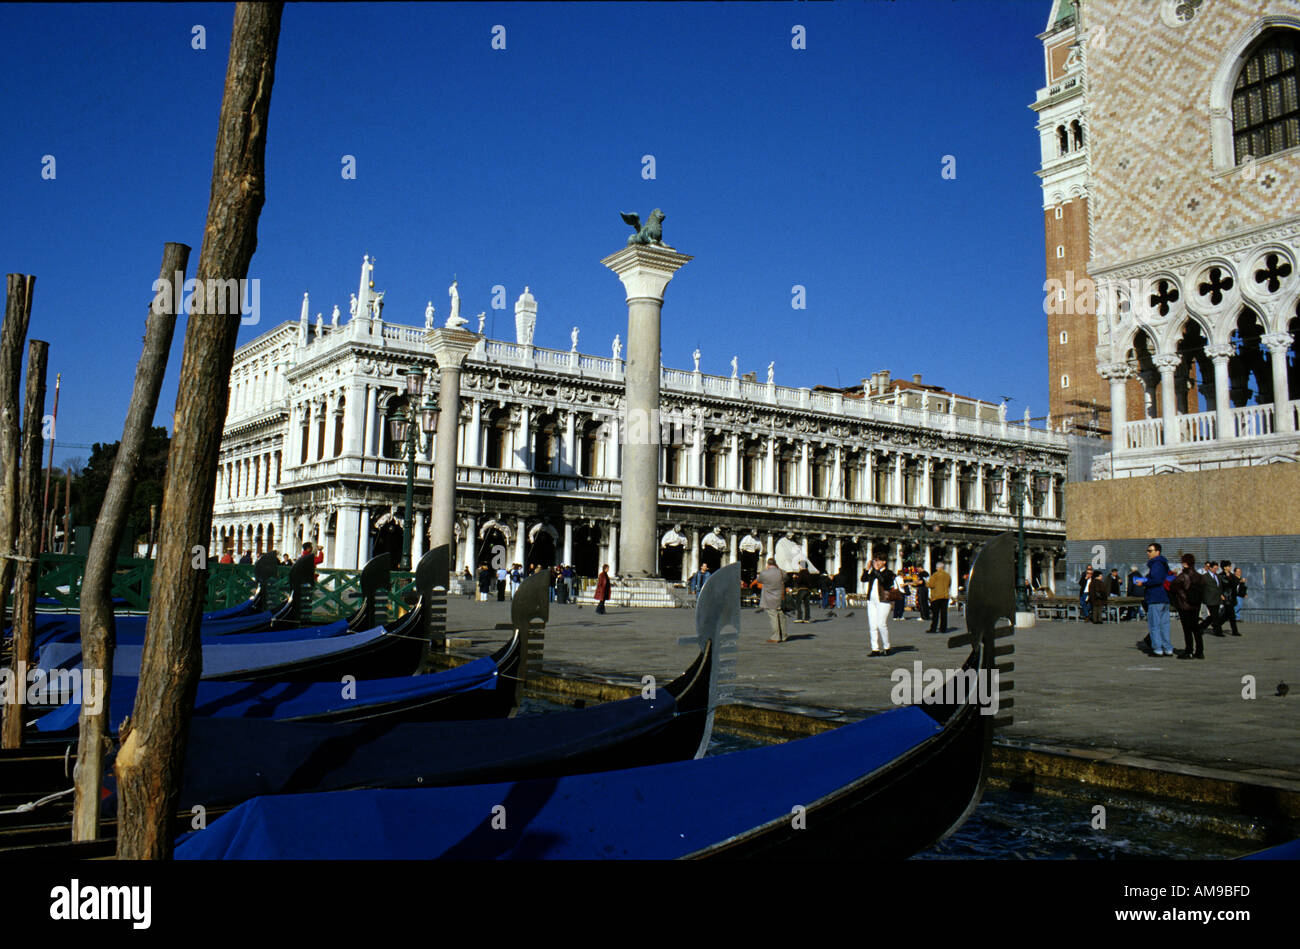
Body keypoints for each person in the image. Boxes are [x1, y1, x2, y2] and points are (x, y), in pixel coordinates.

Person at [1136, 542, 1173, 656]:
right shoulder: (1164, 564)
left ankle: (1157, 649)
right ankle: (1167, 648)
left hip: (1155, 597)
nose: (1148, 553)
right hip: (1164, 598)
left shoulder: (1156, 564)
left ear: (1157, 552)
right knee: (1164, 625)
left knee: (1155, 625)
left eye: (1150, 550)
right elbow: (1168, 578)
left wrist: (1144, 582)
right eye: (1147, 550)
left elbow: (1157, 580)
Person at [1170, 553, 1206, 660]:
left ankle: (1189, 650)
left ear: (1185, 563)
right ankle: (1200, 651)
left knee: (1187, 629)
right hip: (1196, 605)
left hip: (1185, 606)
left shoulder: (1183, 576)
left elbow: (1172, 587)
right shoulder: (1199, 576)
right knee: (1196, 628)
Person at [861, 555, 895, 657]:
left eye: (879, 561)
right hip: (871, 600)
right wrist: (867, 569)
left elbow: (884, 582)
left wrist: (876, 570)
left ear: (884, 562)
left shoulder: (888, 573)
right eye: (876, 560)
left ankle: (887, 647)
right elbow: (863, 579)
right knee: (872, 625)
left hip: (883, 600)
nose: (877, 563)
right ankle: (875, 648)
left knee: (881, 624)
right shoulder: (873, 572)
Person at [758, 557, 787, 643]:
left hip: (769, 598)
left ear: (767, 564)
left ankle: (776, 636)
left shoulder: (764, 573)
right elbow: (786, 579)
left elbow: (759, 580)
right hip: (780, 597)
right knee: (781, 616)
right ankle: (784, 636)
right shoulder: (782, 572)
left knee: (773, 617)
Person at [926, 559, 952, 634]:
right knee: (944, 613)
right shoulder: (948, 575)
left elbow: (931, 585)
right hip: (945, 596)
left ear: (938, 568)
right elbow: (949, 584)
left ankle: (933, 628)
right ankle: (943, 628)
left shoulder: (935, 575)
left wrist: (926, 583)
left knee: (935, 614)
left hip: (936, 596)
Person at [1218, 560, 1241, 636]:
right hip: (1227, 597)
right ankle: (1235, 631)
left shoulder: (1231, 575)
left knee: (1226, 615)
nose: (1230, 567)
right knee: (1231, 615)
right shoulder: (1221, 576)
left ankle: (1216, 625)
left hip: (1232, 597)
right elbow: (1227, 584)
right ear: (1224, 567)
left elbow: (1236, 582)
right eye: (1228, 566)